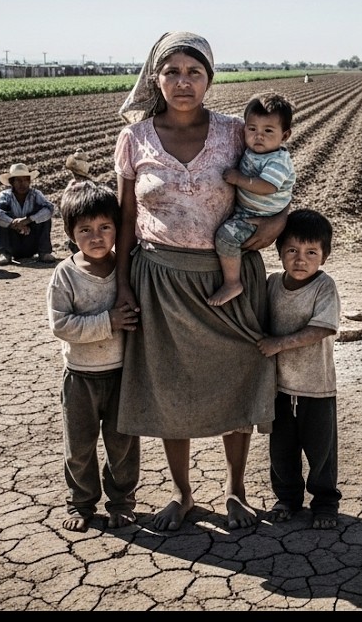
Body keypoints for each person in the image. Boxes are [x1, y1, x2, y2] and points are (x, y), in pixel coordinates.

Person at [112, 30, 288, 532]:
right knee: (171, 387)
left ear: (210, 79)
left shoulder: (235, 131)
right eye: (172, 72)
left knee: (238, 378)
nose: (183, 82)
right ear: (155, 79)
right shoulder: (135, 138)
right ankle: (182, 493)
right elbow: (126, 219)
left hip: (228, 279)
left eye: (194, 72)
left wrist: (277, 223)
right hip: (161, 280)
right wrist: (123, 285)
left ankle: (235, 490)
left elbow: (278, 186)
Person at [46, 180, 141, 532]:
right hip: (80, 377)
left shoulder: (126, 270)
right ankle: (81, 503)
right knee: (79, 447)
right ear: (70, 233)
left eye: (105, 227)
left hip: (121, 375)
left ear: (118, 229)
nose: (97, 237)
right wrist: (108, 322)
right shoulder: (65, 275)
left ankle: (122, 502)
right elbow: (61, 325)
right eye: (85, 230)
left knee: (123, 445)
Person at [257, 209, 342, 530]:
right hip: (278, 387)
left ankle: (325, 503)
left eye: (311, 252)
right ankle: (287, 498)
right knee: (281, 449)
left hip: (316, 386)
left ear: (324, 256)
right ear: (279, 251)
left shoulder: (324, 287)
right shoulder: (272, 284)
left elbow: (322, 328)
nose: (300, 259)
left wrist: (278, 344)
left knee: (321, 450)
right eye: (292, 250)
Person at [208, 91, 296, 306]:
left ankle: (232, 282)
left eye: (268, 131)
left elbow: (267, 186)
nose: (259, 136)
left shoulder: (277, 160)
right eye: (252, 129)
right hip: (248, 210)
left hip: (259, 216)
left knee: (226, 237)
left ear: (285, 136)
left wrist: (240, 179)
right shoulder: (255, 151)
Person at [0, 162, 57, 266]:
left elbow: (50, 209)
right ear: (12, 182)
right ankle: (5, 254)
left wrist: (27, 220)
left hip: (31, 240)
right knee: (1, 219)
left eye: (26, 180)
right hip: (13, 242)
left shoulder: (35, 194)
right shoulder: (5, 196)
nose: (23, 184)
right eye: (18, 180)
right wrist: (13, 223)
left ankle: (44, 252)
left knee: (44, 216)